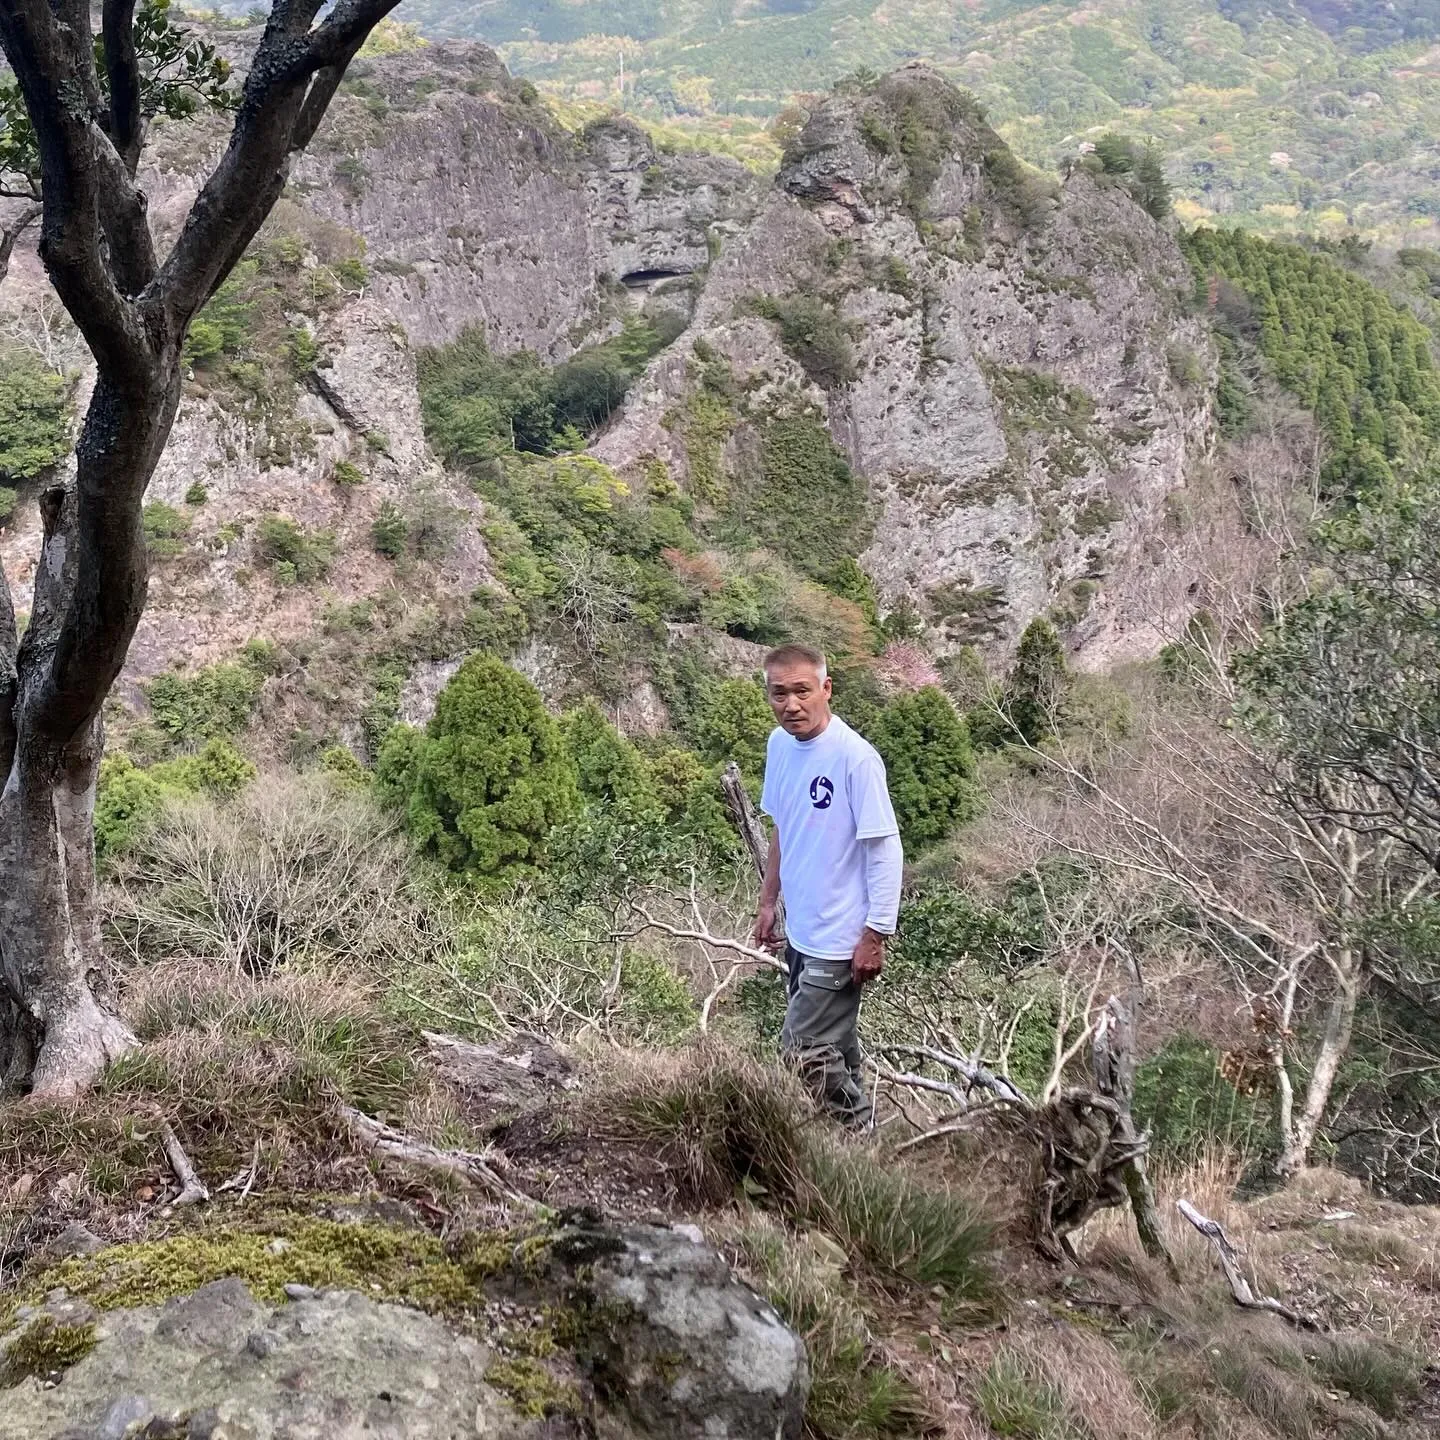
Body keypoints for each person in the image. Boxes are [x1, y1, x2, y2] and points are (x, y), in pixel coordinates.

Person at [750, 643, 903, 1126]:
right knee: (835, 1048)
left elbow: (885, 849)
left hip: (840, 939)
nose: (791, 704)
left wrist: (875, 935)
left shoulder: (855, 758)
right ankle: (858, 1152)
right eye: (779, 694)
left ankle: (859, 1137)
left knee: (802, 1050)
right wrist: (768, 901)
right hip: (802, 933)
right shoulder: (779, 746)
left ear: (826, 688)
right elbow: (782, 826)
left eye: (802, 691)